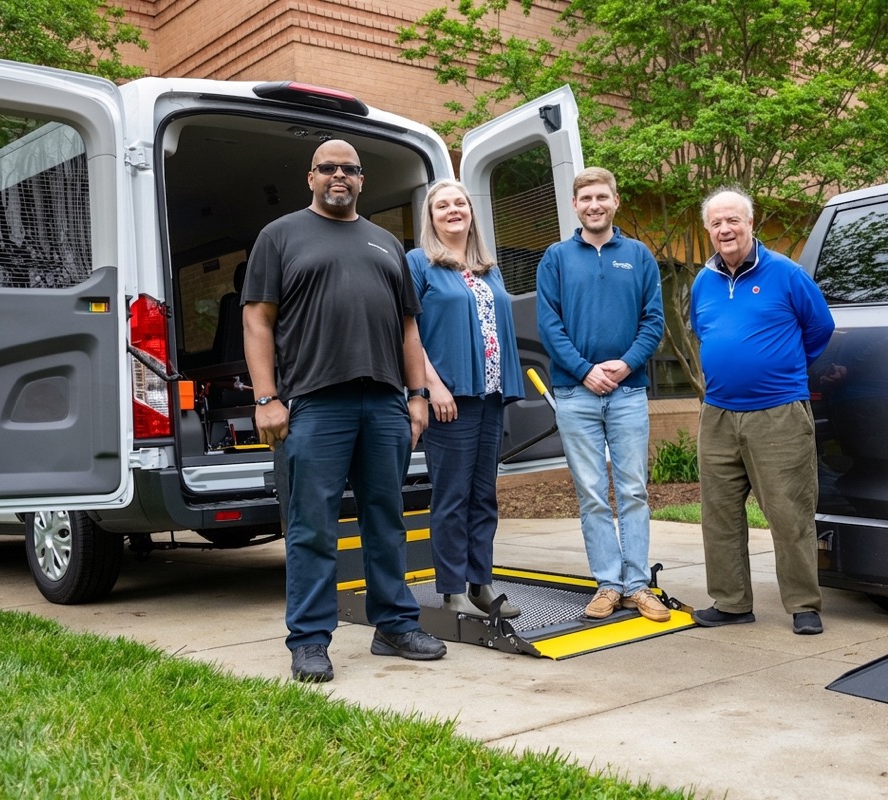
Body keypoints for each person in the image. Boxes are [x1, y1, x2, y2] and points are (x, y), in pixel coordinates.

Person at [243, 139, 446, 683]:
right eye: (328, 168)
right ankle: (309, 640)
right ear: (310, 177)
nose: (339, 175)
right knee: (313, 526)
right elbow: (257, 321)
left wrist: (418, 394)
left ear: (361, 180)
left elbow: (409, 328)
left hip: (383, 404)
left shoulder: (384, 244)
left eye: (349, 169)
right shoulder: (280, 236)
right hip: (314, 403)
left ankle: (395, 625)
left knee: (387, 520)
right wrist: (266, 398)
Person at [689, 186, 835, 635]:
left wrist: (783, 370)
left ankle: (803, 605)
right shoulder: (703, 281)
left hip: (778, 414)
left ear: (751, 223)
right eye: (716, 223)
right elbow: (702, 330)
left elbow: (820, 328)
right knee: (719, 513)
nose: (725, 229)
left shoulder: (786, 274)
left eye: (733, 220)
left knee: (789, 512)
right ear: (708, 230)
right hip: (717, 414)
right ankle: (732, 602)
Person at [536, 167, 669, 623]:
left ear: (616, 202)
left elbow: (654, 321)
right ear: (575, 205)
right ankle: (608, 585)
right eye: (586, 198)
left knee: (633, 490)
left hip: (629, 392)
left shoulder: (639, 256)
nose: (594, 205)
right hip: (575, 394)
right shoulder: (555, 258)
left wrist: (627, 362)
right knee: (592, 493)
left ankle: (637, 586)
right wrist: (584, 370)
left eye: (602, 197)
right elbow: (549, 326)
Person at [406, 179, 524, 619]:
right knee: (452, 496)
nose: (453, 210)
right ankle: (452, 590)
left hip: (490, 395)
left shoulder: (487, 268)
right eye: (442, 205)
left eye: (460, 203)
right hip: (450, 397)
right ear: (430, 217)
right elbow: (409, 332)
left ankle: (482, 583)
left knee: (483, 495)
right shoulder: (418, 263)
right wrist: (432, 387)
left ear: (471, 213)